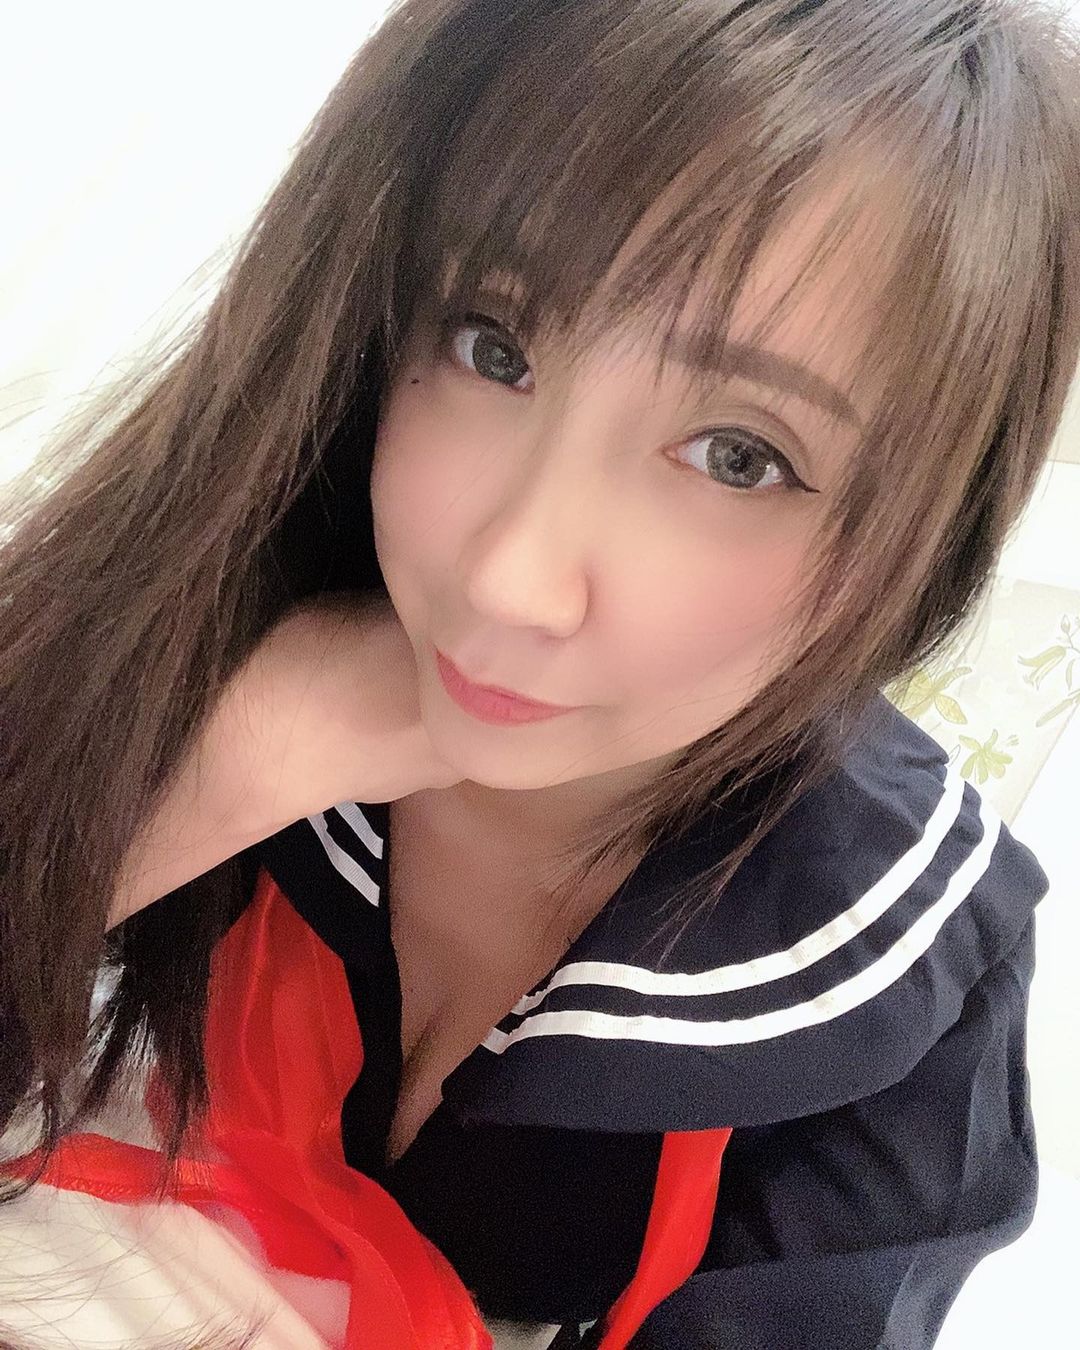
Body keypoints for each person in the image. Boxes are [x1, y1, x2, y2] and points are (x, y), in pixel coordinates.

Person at [1, 0, 1078, 1346]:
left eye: (739, 455)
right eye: (491, 347)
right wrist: (225, 766)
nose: (511, 576)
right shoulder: (225, 597)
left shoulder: (898, 961)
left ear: (922, 550)